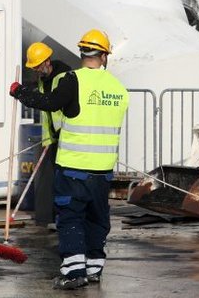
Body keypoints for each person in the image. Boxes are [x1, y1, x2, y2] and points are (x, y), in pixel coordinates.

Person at [10, 29, 129, 290]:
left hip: (75, 166)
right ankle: (94, 268)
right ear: (105, 55)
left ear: (81, 52)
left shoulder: (72, 80)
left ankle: (74, 271)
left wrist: (20, 93)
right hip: (104, 169)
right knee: (97, 218)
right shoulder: (119, 89)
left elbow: (51, 103)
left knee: (70, 217)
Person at [24, 41, 71, 229]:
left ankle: (63, 218)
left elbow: (51, 103)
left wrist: (22, 94)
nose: (36, 70)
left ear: (47, 61)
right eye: (33, 67)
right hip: (52, 138)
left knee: (64, 181)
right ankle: (53, 217)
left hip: (66, 137)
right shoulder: (44, 79)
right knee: (53, 182)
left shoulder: (63, 77)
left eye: (37, 66)